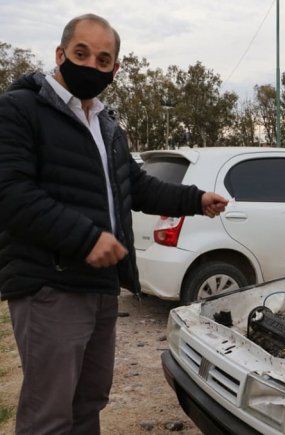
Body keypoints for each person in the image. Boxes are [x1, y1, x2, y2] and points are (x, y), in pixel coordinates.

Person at [0, 14, 229, 434]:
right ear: (60, 54)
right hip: (50, 284)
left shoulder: (105, 124)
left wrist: (195, 199)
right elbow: (11, 193)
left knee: (89, 402)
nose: (91, 66)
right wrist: (87, 239)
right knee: (49, 414)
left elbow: (135, 186)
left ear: (115, 69)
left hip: (101, 285)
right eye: (81, 54)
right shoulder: (19, 109)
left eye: (103, 59)